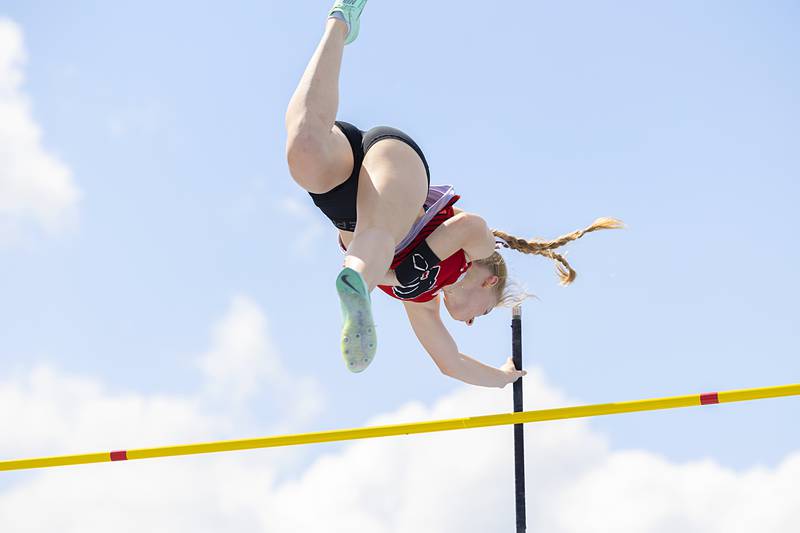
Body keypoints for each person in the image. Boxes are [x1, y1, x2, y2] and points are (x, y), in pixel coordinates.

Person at [284, 1, 623, 387]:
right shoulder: (476, 253)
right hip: (393, 168)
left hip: (345, 204)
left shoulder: (422, 301)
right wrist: (410, 271)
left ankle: (341, 20)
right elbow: (469, 226)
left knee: (304, 147)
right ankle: (357, 280)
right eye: (482, 314)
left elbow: (451, 362)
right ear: (488, 283)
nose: (470, 322)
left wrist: (502, 378)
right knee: (379, 233)